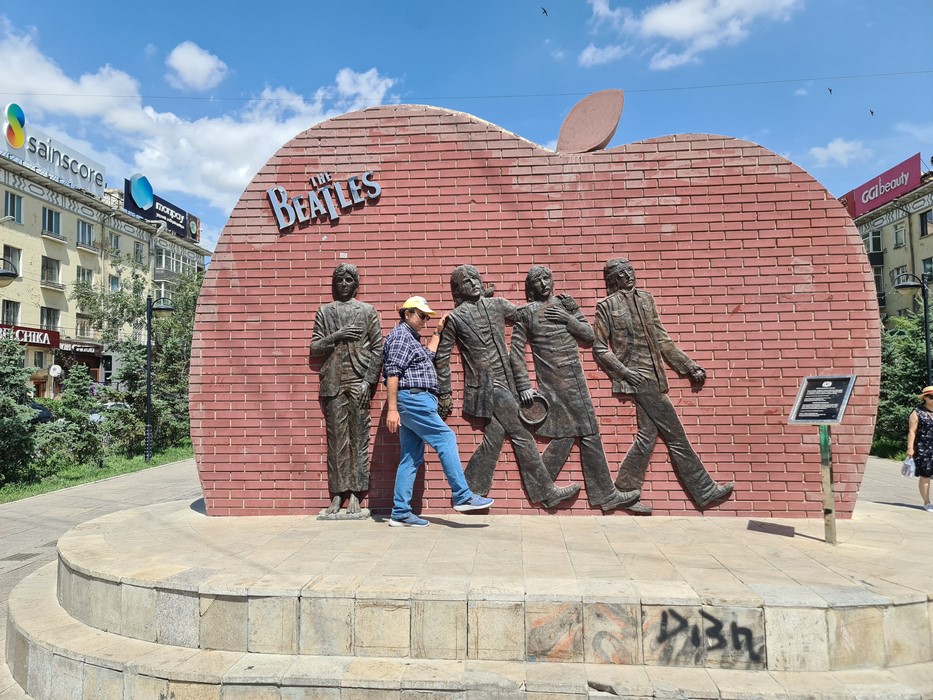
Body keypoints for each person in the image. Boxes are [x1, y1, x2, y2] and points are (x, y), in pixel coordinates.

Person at [593, 258, 734, 510]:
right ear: (614, 279)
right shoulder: (606, 306)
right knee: (676, 435)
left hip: (656, 376)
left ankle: (624, 491)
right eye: (622, 273)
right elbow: (600, 348)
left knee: (647, 437)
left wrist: (688, 366)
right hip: (639, 378)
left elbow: (662, 340)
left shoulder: (646, 300)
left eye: (631, 270)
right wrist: (624, 372)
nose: (629, 275)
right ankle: (704, 490)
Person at [434, 265, 580, 509]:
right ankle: (545, 492)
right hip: (484, 387)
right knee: (522, 433)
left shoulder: (497, 304)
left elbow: (524, 314)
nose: (473, 283)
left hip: (508, 381)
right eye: (466, 281)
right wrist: (445, 391)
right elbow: (442, 356)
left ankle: (467, 491)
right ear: (459, 289)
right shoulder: (456, 318)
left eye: (475, 278)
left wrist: (557, 306)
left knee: (494, 439)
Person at [511, 265, 640, 512]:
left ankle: (545, 487)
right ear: (531, 287)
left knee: (572, 433)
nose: (543, 284)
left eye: (547, 278)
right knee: (585, 432)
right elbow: (516, 353)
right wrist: (524, 385)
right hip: (553, 384)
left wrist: (568, 318)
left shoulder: (566, 303)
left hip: (576, 381)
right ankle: (602, 494)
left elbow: (589, 336)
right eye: (537, 281)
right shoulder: (527, 314)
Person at [383, 295, 494, 527]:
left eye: (427, 316)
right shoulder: (401, 336)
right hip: (413, 399)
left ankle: (400, 512)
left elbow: (428, 355)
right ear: (407, 313)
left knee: (410, 457)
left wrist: (438, 332)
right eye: (421, 315)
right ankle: (462, 496)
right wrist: (392, 409)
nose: (425, 320)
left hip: (414, 400)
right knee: (446, 438)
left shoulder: (411, 338)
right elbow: (392, 373)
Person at [310, 264, 383, 515]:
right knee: (337, 441)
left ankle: (355, 493)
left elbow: (378, 348)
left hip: (358, 381)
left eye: (348, 280)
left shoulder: (367, 311)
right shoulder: (325, 312)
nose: (343, 284)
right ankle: (337, 493)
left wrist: (368, 381)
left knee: (359, 437)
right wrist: (337, 335)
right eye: (339, 279)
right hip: (333, 382)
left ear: (355, 284)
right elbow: (315, 347)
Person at [906, 386, 933, 512]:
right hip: (924, 449)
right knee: (925, 476)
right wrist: (910, 448)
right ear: (925, 398)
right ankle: (927, 502)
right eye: (931, 397)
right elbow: (912, 432)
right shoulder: (917, 412)